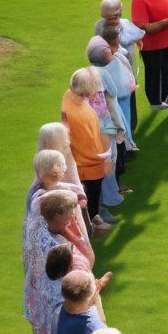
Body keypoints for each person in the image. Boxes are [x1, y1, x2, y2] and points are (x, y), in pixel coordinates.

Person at [61, 68, 112, 227]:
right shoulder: (78, 114)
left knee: (88, 197)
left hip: (83, 163)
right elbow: (89, 145)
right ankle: (93, 223)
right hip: (88, 166)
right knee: (91, 197)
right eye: (94, 88)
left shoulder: (69, 96)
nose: (97, 92)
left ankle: (93, 218)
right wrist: (105, 156)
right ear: (84, 90)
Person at [94, 0, 145, 142]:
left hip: (128, 77)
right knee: (115, 110)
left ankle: (129, 135)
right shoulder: (101, 28)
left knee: (130, 107)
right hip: (112, 78)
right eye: (108, 17)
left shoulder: (125, 24)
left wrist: (139, 41)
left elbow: (134, 34)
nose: (112, 19)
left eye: (115, 16)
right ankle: (122, 140)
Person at [86, 37, 131, 201]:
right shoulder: (103, 75)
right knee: (110, 161)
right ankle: (112, 198)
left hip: (93, 127)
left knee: (105, 162)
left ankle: (109, 195)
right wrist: (121, 128)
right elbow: (114, 99)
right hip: (107, 127)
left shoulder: (87, 72)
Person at [25, 149, 88, 243]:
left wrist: (77, 204)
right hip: (52, 233)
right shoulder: (39, 194)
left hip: (70, 227)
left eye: (59, 166)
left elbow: (81, 199)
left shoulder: (69, 188)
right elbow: (36, 216)